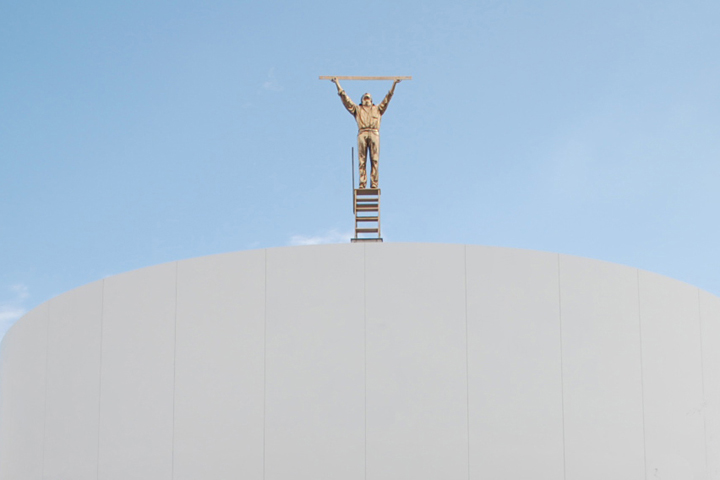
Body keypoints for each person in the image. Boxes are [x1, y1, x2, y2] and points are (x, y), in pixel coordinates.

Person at [331, 78, 401, 189]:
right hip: (362, 133)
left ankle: (374, 183)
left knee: (375, 160)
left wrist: (394, 85)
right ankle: (362, 183)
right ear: (362, 100)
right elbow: (345, 99)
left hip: (374, 133)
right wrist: (337, 84)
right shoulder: (358, 109)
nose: (367, 99)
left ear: (371, 100)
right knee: (362, 160)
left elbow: (388, 98)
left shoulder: (377, 109)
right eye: (365, 98)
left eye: (368, 98)